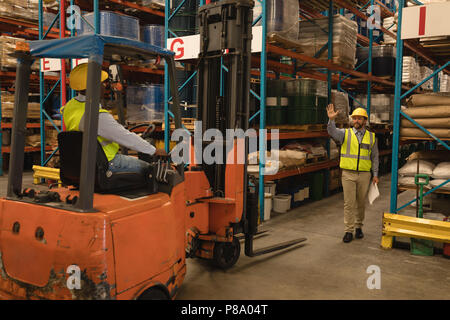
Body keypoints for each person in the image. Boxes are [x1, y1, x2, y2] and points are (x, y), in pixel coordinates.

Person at [61, 63, 167, 176]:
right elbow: (125, 137)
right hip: (106, 162)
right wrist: (154, 150)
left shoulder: (69, 107)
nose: (105, 85)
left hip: (85, 162)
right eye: (102, 83)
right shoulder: (96, 116)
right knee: (149, 169)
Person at [327, 104, 379, 243]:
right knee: (349, 204)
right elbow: (332, 132)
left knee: (361, 203)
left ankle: (359, 227)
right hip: (348, 174)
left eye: (359, 119)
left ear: (365, 121)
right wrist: (331, 120)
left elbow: (375, 157)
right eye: (354, 118)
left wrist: (375, 174)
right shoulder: (345, 133)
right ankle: (348, 230)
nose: (356, 121)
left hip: (364, 175)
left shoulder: (372, 137)